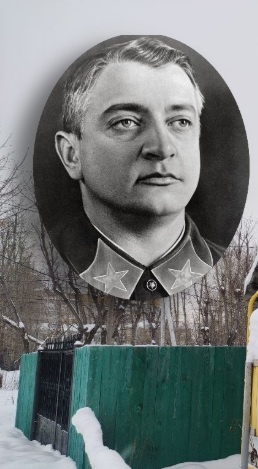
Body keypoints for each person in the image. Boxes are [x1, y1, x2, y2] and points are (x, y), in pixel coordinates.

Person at [53, 37, 224, 300]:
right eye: (126, 122)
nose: (162, 147)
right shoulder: (44, 265)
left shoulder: (229, 270)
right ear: (72, 154)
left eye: (180, 121)